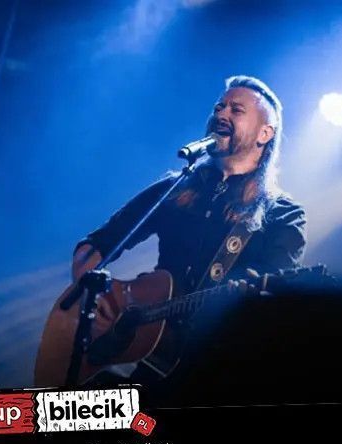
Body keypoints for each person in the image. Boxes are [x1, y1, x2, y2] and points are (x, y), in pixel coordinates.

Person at [71, 75, 307, 390]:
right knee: (71, 409)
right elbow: (97, 244)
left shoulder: (282, 213)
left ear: (265, 133)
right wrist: (97, 303)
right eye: (219, 107)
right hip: (146, 361)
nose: (222, 114)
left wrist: (252, 301)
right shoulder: (176, 188)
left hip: (214, 368)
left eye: (236, 110)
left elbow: (277, 299)